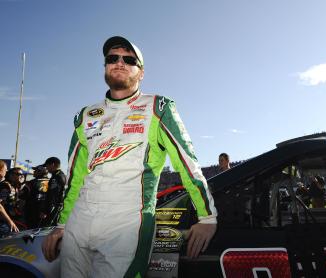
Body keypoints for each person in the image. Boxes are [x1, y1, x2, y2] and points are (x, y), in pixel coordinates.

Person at [42, 36, 217, 278]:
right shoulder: (85, 116)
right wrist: (61, 225)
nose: (120, 63)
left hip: (127, 223)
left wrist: (207, 216)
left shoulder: (158, 108)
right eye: (112, 58)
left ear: (141, 72)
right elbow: (75, 177)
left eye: (129, 59)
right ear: (105, 66)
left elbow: (187, 163)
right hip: (79, 223)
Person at [43, 157, 67, 226]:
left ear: (52, 164)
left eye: (47, 165)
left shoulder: (57, 177)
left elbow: (53, 196)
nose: (46, 168)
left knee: (49, 229)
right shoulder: (62, 175)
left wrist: (45, 210)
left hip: (55, 208)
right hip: (59, 207)